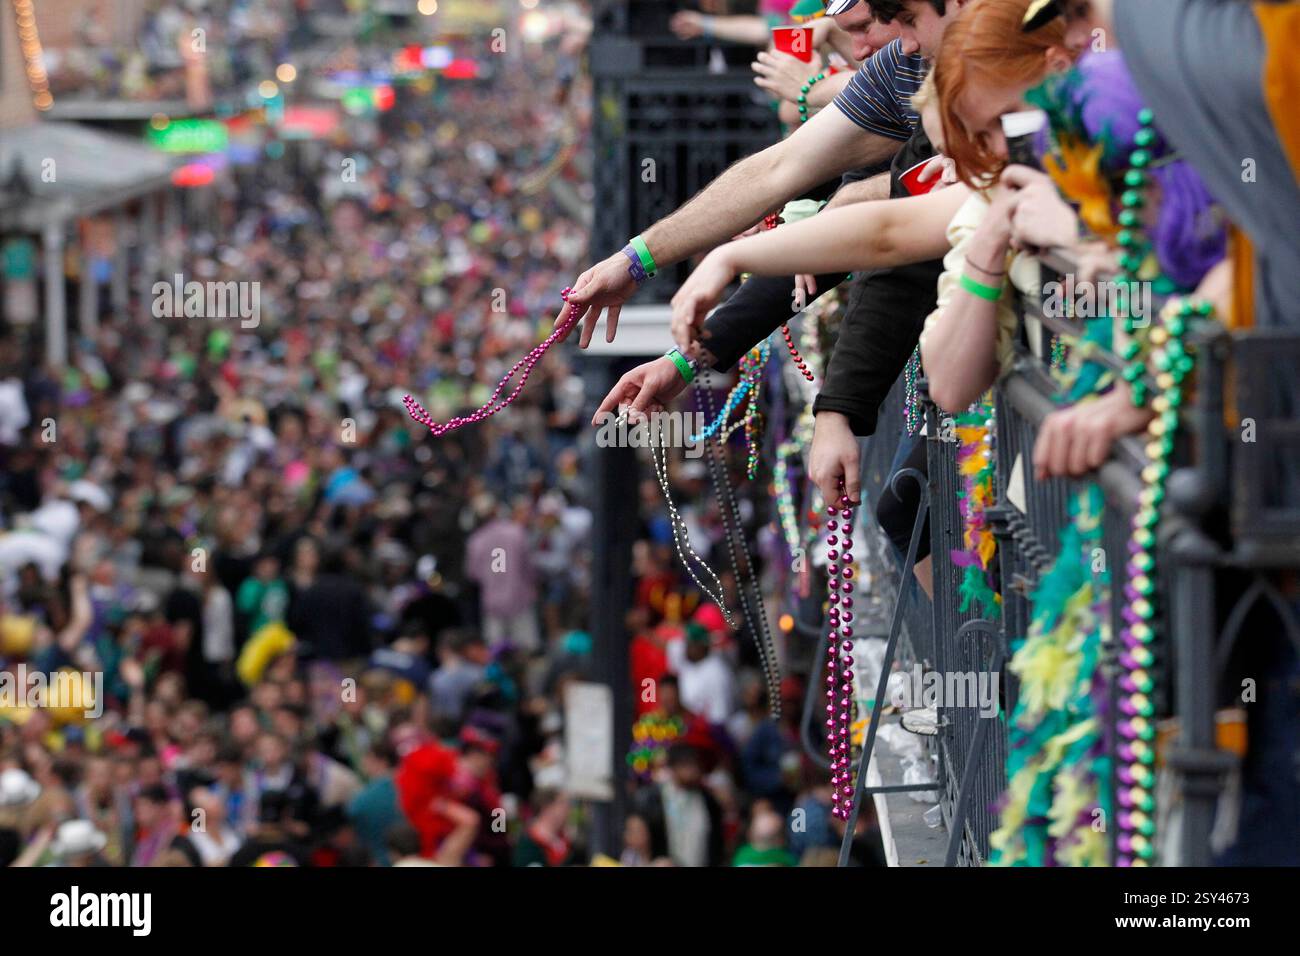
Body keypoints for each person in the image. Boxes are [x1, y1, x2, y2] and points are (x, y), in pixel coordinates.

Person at [633, 743, 726, 867]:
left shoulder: (708, 800)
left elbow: (716, 842)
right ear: (673, 768)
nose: (692, 771)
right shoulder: (654, 798)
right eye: (686, 766)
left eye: (695, 765)